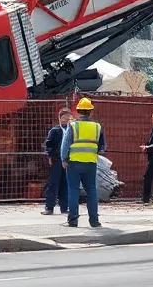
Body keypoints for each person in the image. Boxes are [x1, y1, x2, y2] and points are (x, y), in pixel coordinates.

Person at [61, 96, 105, 228]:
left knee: (73, 190)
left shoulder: (73, 126)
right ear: (90, 111)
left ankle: (73, 220)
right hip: (91, 163)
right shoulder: (97, 127)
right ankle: (94, 221)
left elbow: (65, 144)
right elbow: (102, 147)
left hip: (74, 163)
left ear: (78, 111)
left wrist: (64, 159)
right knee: (91, 190)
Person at [41, 108, 71, 215]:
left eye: (68, 117)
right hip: (56, 160)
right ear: (59, 118)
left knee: (65, 184)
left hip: (68, 161)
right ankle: (49, 207)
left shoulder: (71, 130)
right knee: (53, 183)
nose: (66, 120)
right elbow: (49, 145)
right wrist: (50, 157)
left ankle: (64, 208)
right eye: (64, 117)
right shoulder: (55, 131)